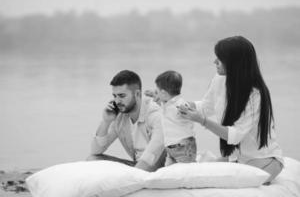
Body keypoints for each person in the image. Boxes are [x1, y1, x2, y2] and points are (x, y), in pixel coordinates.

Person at [177, 36, 283, 184]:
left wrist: (202, 121)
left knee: (227, 184)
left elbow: (235, 135)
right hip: (236, 158)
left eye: (219, 58)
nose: (214, 62)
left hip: (263, 159)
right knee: (197, 174)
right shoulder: (219, 79)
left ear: (234, 63)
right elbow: (205, 106)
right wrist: (173, 102)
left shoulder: (255, 94)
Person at [88, 70, 166, 172]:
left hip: (156, 166)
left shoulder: (155, 115)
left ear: (137, 94)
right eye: (114, 96)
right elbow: (96, 151)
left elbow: (152, 156)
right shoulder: (120, 116)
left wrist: (130, 175)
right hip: (137, 166)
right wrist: (106, 122)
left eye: (122, 96)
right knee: (93, 159)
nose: (117, 101)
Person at [154, 70, 197, 166]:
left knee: (186, 170)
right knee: (169, 171)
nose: (156, 95)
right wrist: (155, 96)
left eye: (157, 92)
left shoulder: (180, 104)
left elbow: (185, 109)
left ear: (164, 93)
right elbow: (163, 107)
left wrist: (185, 109)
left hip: (184, 148)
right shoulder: (166, 104)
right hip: (170, 148)